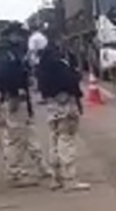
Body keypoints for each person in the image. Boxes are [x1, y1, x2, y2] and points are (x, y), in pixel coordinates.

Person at [0, 21, 49, 187]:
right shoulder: (6, 52)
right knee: (16, 138)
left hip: (20, 98)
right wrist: (13, 93)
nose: (22, 38)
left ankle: (41, 166)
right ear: (12, 34)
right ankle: (14, 173)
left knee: (29, 134)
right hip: (14, 98)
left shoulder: (10, 51)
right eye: (20, 35)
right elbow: (4, 75)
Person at [37, 38, 89, 191]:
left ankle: (56, 177)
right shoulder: (59, 64)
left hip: (51, 106)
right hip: (65, 105)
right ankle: (70, 179)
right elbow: (71, 80)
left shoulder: (42, 66)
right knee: (67, 141)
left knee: (54, 141)